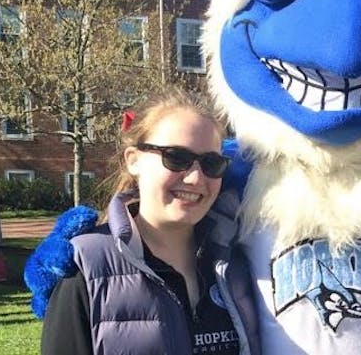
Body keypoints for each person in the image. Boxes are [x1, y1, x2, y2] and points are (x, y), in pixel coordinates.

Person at [40, 88, 258, 354]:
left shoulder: (239, 262)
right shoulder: (84, 268)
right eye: (176, 158)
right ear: (133, 160)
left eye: (211, 163)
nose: (195, 178)